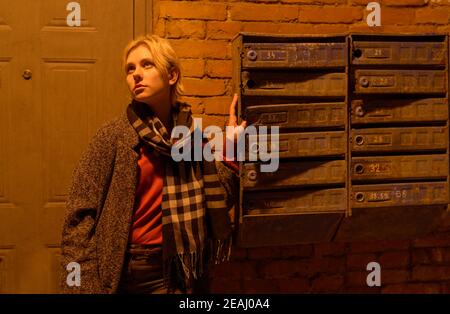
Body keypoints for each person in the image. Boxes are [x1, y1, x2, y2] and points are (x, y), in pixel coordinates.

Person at [60, 34, 246, 294]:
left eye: (147, 65)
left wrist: (231, 150)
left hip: (177, 269)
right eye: (130, 69)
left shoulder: (191, 136)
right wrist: (83, 284)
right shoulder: (113, 136)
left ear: (171, 75)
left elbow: (216, 202)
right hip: (123, 271)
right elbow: (79, 216)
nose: (136, 74)